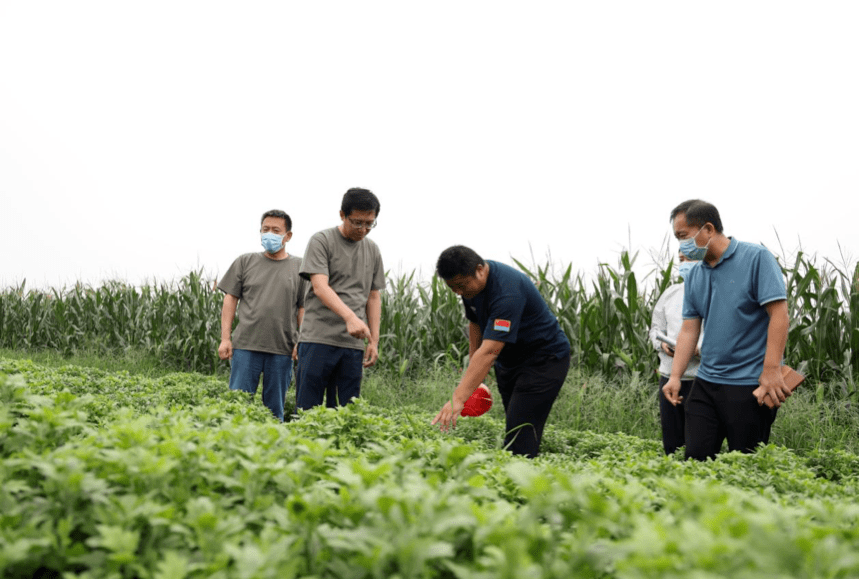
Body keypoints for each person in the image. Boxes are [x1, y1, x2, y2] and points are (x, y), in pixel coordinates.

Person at [662, 199, 790, 461]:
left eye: (683, 236)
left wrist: (771, 370)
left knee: (744, 465)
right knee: (695, 460)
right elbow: (689, 329)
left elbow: (779, 314)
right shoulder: (696, 273)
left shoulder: (756, 258)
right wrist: (675, 376)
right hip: (706, 382)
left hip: (750, 384)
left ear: (708, 229)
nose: (681, 245)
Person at [431, 246, 571, 458]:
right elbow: (475, 322)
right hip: (510, 361)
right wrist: (474, 375)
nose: (458, 292)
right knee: (516, 424)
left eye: (460, 286)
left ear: (479, 270)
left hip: (543, 360)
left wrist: (457, 399)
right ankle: (521, 468)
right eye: (452, 288)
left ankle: (520, 482)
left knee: (520, 431)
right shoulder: (471, 287)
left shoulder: (508, 292)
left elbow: (490, 351)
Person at [295, 187, 385, 410]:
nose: (363, 229)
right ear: (342, 215)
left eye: (369, 224)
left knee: (346, 413)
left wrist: (374, 340)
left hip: (352, 345)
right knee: (308, 409)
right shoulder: (321, 241)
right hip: (318, 339)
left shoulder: (372, 250)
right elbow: (320, 287)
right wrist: (350, 317)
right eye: (357, 222)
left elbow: (373, 297)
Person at [217, 209, 307, 421]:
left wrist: (300, 341)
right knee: (237, 408)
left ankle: (273, 449)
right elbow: (230, 299)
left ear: (288, 236)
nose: (270, 234)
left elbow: (303, 308)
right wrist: (225, 339)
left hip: (282, 349)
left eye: (276, 230)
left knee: (274, 410)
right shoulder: (245, 262)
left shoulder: (300, 267)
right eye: (265, 229)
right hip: (246, 345)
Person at [648, 251, 703, 455]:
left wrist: (697, 349)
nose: (684, 264)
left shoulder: (715, 293)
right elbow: (655, 328)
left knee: (698, 446)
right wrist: (662, 345)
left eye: (689, 259)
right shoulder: (671, 293)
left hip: (700, 378)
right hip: (669, 377)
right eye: (681, 260)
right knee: (672, 442)